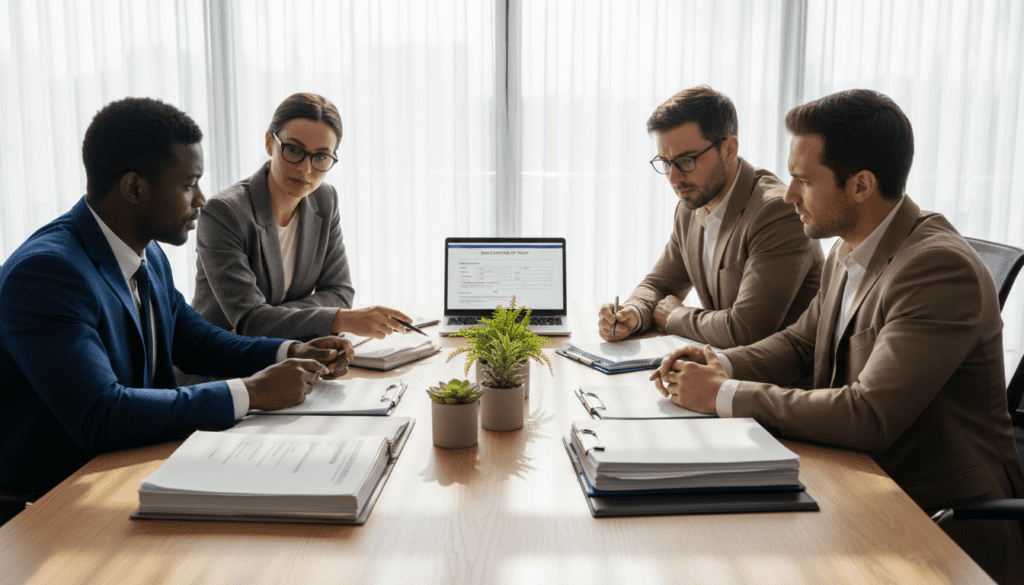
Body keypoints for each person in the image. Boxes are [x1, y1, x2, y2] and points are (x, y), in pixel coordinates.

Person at [655, 89, 1024, 584]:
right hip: (856, 485)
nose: (788, 195)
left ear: (862, 185)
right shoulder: (849, 250)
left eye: (803, 180)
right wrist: (721, 360)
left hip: (936, 524)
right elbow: (801, 343)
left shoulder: (937, 269)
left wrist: (724, 394)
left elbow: (868, 415)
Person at [0, 97, 354, 522]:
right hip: (52, 503)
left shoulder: (147, 253)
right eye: (189, 185)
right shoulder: (49, 272)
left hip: (133, 468)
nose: (203, 200)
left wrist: (289, 352)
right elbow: (100, 414)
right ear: (134, 188)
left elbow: (196, 341)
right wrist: (253, 391)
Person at [598, 86, 823, 349]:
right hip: (721, 371)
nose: (674, 178)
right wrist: (633, 314)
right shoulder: (691, 204)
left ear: (729, 149)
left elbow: (746, 330)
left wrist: (674, 316)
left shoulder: (776, 211)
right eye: (666, 163)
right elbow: (660, 283)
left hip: (780, 383)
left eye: (686, 160)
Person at [191, 93, 410, 342]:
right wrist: (339, 319)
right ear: (269, 143)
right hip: (223, 366)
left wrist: (272, 317)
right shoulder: (224, 213)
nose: (305, 169)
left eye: (321, 157)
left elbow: (340, 292)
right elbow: (250, 321)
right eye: (294, 150)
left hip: (291, 356)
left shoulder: (324, 200)